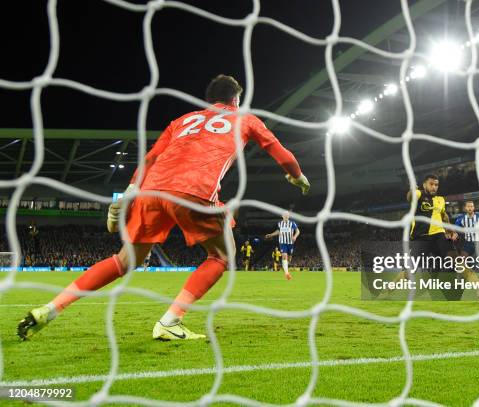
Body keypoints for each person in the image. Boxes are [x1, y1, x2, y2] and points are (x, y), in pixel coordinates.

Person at [17, 74, 310, 341]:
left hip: (150, 191)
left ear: (207, 101)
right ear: (236, 100)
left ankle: (51, 308)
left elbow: (150, 159)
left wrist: (127, 196)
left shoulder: (181, 121)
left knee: (124, 261)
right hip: (192, 191)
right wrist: (297, 177)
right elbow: (281, 153)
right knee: (222, 255)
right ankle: (171, 320)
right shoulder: (245, 119)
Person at [408, 175, 479, 300]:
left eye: (436, 184)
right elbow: (410, 197)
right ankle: (387, 290)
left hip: (438, 236)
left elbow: (445, 216)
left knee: (457, 261)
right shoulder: (419, 195)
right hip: (421, 239)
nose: (434, 187)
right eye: (431, 184)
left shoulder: (440, 200)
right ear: (424, 184)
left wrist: (450, 230)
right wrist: (411, 189)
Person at [265, 211, 299, 280]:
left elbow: (298, 231)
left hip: (290, 243)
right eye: (285, 215)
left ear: (289, 216)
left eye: (287, 215)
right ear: (282, 216)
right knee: (284, 256)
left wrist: (295, 236)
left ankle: (286, 267)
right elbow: (278, 231)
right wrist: (271, 235)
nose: (286, 216)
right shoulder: (280, 224)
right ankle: (287, 274)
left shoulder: (292, 223)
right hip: (282, 242)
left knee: (289, 258)